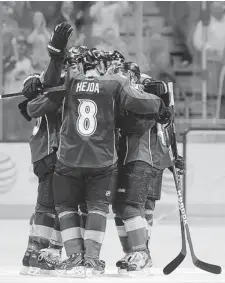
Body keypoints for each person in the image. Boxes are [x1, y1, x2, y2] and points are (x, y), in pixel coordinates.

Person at [38, 22, 172, 277]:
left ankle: (139, 253)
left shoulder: (79, 82)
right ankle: (129, 254)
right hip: (113, 158)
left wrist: (49, 66)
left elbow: (46, 90)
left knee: (131, 208)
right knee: (121, 208)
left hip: (136, 158)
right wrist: (160, 102)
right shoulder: (116, 84)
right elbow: (139, 102)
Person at [113, 65, 185, 275]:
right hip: (133, 157)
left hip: (150, 158)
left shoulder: (145, 87)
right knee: (123, 209)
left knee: (140, 208)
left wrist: (173, 156)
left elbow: (164, 124)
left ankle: (142, 252)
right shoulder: (123, 88)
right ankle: (135, 252)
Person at [17, 73, 64, 276]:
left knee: (48, 206)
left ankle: (33, 254)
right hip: (49, 154)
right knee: (51, 207)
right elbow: (33, 84)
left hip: (44, 155)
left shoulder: (48, 96)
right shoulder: (51, 97)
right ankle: (40, 254)